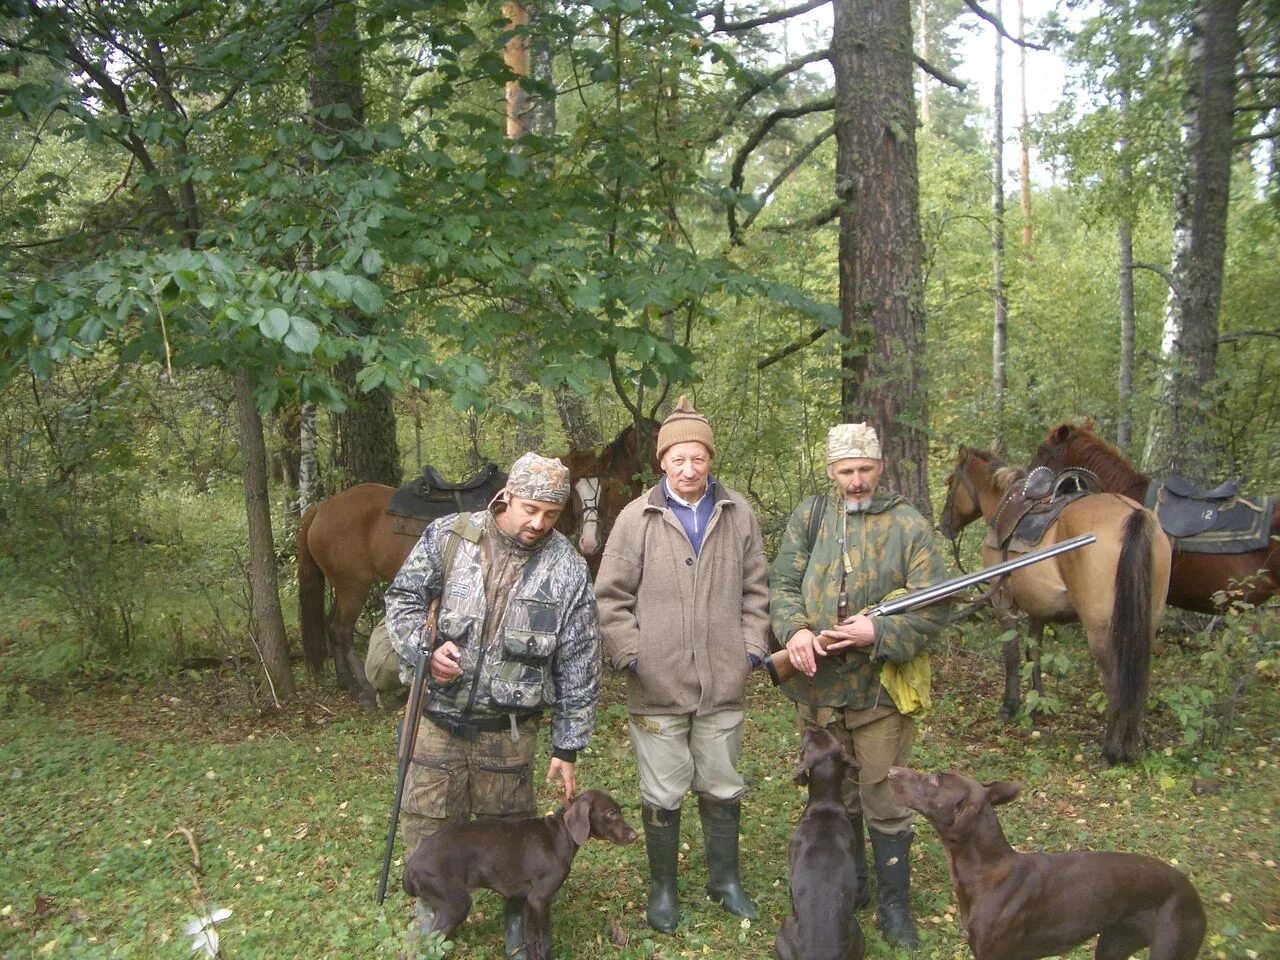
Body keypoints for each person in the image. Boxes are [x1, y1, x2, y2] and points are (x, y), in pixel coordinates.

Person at [384, 452, 601, 953]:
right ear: (506, 495)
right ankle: (432, 916)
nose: (537, 523)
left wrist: (567, 746)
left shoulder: (567, 568)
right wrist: (424, 645)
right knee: (429, 820)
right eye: (529, 509)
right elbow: (402, 598)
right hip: (437, 717)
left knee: (510, 836)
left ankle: (516, 924)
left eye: (550, 514)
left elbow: (580, 662)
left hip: (508, 731)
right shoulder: (450, 536)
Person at [769, 422, 947, 951]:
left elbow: (934, 606)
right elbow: (781, 585)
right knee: (833, 794)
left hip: (880, 691)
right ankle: (854, 889)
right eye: (845, 471)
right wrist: (796, 630)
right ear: (831, 472)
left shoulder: (909, 525)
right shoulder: (811, 517)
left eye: (864, 469)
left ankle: (894, 908)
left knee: (884, 796)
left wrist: (880, 629)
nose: (855, 481)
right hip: (819, 690)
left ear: (880, 467)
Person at [595, 398, 771, 933]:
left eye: (698, 458)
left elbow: (757, 591)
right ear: (662, 462)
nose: (689, 469)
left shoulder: (738, 513)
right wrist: (632, 655)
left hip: (723, 681)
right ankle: (664, 890)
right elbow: (610, 598)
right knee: (663, 789)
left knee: (721, 782)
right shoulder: (636, 518)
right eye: (678, 459)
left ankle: (726, 882)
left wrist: (750, 649)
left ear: (710, 459)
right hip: (657, 683)